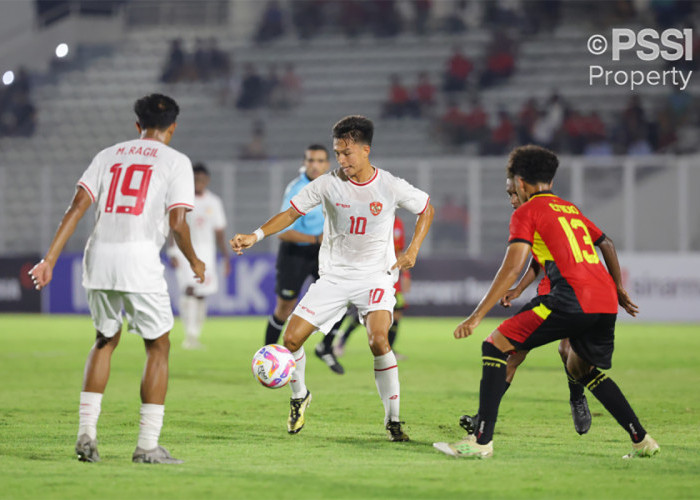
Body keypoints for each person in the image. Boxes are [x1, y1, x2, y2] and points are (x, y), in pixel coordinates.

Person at [433, 145, 658, 459]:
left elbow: (511, 266)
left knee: (495, 345)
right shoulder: (569, 209)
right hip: (604, 300)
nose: (512, 193)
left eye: (512, 187)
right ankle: (642, 440)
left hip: (570, 297)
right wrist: (618, 289)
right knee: (581, 368)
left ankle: (480, 442)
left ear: (521, 183)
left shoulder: (527, 212)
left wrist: (476, 315)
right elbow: (605, 242)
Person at [232, 115, 434, 441]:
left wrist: (412, 250)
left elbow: (426, 208)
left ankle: (393, 421)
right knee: (291, 340)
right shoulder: (328, 183)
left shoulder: (389, 185)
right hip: (334, 277)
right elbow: (290, 213)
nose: (341, 160)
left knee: (378, 341)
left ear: (366, 150)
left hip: (376, 277)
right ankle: (299, 396)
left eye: (347, 153)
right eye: (337, 152)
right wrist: (255, 236)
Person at [28, 94, 205, 464]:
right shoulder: (176, 162)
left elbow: (77, 207)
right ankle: (147, 445)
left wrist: (49, 260)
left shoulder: (108, 154)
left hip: (98, 258)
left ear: (137, 126)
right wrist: (194, 260)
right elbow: (177, 223)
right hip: (138, 260)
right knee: (158, 346)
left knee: (104, 340)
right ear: (172, 128)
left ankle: (86, 434)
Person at [458, 174, 640, 437]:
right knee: (513, 354)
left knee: (567, 351)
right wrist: (519, 289)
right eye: (508, 195)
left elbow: (604, 242)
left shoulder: (544, 213)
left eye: (513, 193)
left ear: (524, 187)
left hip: (572, 291)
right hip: (557, 289)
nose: (511, 200)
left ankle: (576, 396)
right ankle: (483, 418)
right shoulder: (539, 216)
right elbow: (535, 261)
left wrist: (619, 286)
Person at [262, 144, 344, 374]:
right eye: (310, 160)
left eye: (319, 161)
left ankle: (325, 348)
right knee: (284, 307)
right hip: (295, 253)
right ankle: (267, 356)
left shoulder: (335, 187)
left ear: (327, 164)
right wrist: (316, 239)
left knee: (339, 299)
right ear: (304, 163)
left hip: (323, 253)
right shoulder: (297, 189)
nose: (315, 165)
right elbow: (283, 231)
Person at [168, 163, 229, 350]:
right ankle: (189, 335)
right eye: (195, 179)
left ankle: (195, 335)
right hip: (184, 250)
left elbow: (219, 232)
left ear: (207, 180)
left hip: (207, 253)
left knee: (202, 294)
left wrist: (225, 257)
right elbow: (173, 226)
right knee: (189, 289)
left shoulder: (214, 202)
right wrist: (171, 251)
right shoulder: (181, 200)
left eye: (202, 179)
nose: (199, 183)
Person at [334, 216, 411, 358]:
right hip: (373, 273)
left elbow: (399, 251)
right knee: (365, 312)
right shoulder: (372, 219)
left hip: (392, 275)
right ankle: (342, 340)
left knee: (397, 312)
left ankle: (390, 349)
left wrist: (405, 274)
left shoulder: (398, 223)